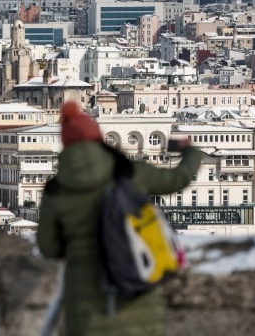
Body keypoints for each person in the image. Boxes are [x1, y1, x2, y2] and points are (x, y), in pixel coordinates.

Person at [37, 102, 203, 336]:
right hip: (140, 302)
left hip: (86, 312)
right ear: (98, 137)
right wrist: (191, 153)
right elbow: (178, 179)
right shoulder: (128, 171)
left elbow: (49, 247)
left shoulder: (56, 190)